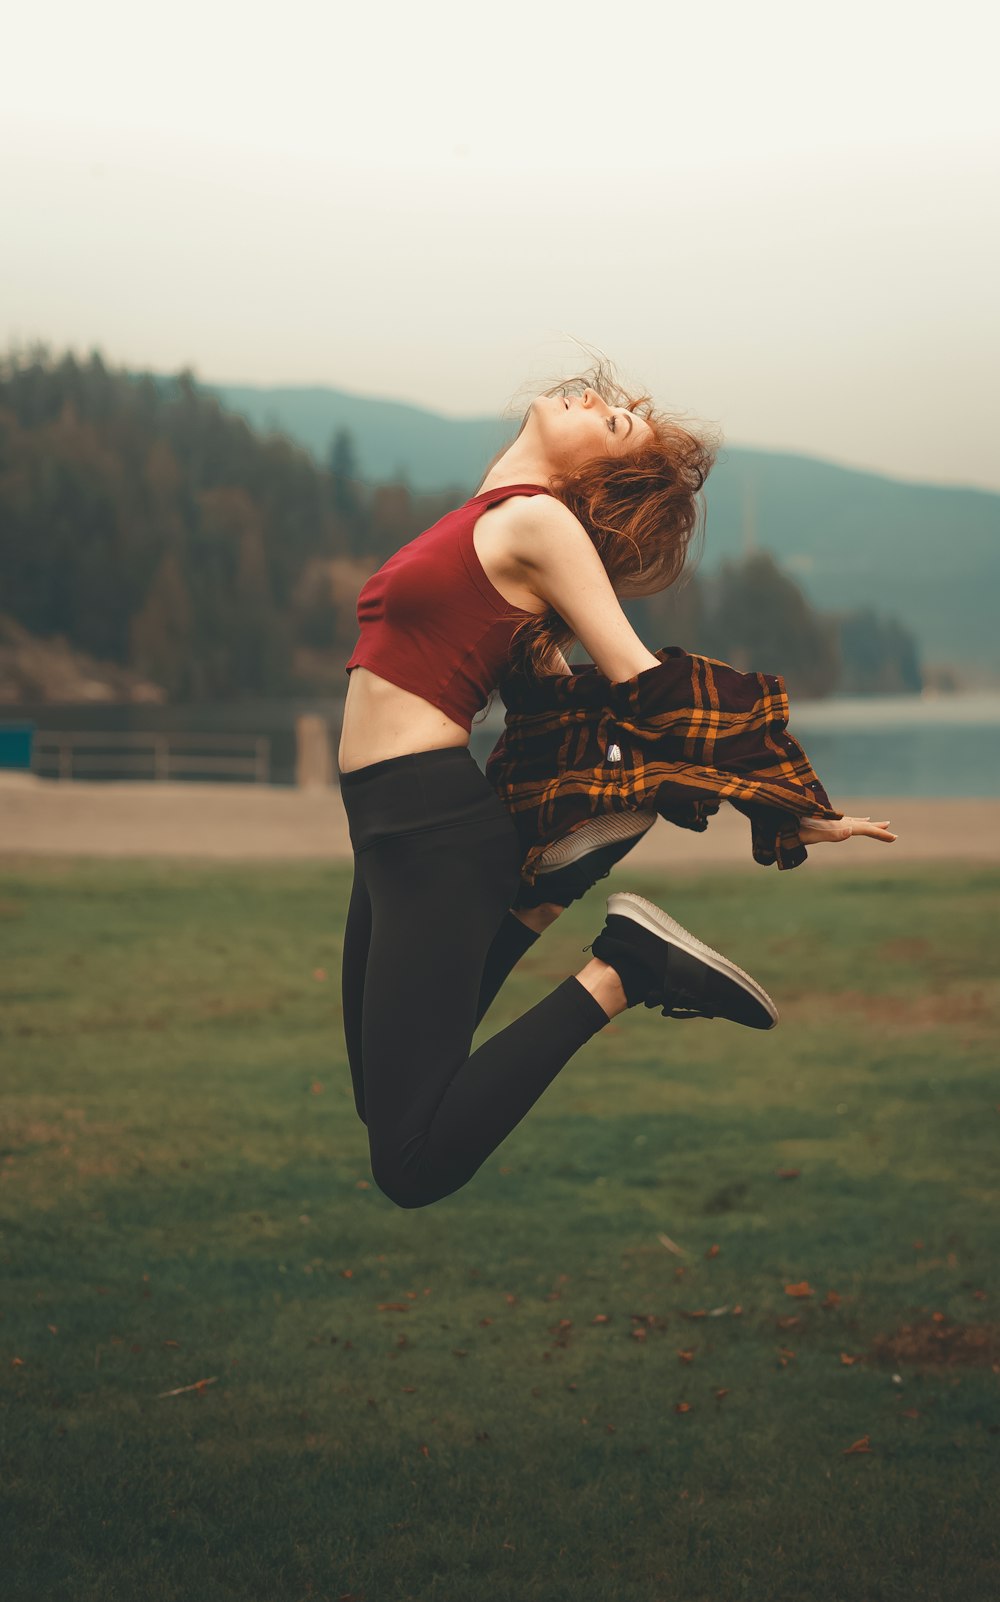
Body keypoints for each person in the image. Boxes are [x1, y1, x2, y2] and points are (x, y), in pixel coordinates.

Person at [338, 360, 895, 1210]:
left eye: (611, 423)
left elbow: (644, 683)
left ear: (592, 475)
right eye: (604, 403)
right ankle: (564, 916)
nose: (594, 400)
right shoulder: (488, 519)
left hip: (431, 837)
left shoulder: (539, 524)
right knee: (384, 1101)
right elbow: (554, 696)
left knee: (408, 1164)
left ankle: (624, 972)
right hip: (389, 838)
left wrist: (783, 802)